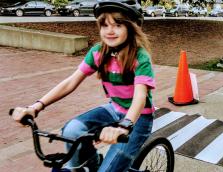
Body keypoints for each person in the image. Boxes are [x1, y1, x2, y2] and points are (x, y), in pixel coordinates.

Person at [10, 1, 155, 172]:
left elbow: (140, 97)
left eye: (117, 25)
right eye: (104, 25)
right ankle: (88, 166)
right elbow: (71, 82)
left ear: (132, 27)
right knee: (72, 130)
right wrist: (35, 107)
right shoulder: (98, 53)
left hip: (138, 119)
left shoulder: (140, 57)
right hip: (114, 108)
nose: (109, 30)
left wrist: (124, 126)